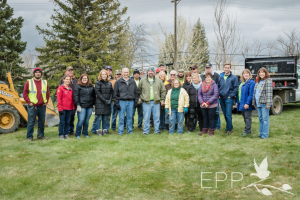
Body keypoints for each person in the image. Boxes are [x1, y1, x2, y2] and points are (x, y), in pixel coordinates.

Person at [23, 68, 50, 141]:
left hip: (42, 106)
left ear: (41, 74)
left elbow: (47, 93)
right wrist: (29, 102)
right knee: (31, 122)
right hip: (32, 106)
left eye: (39, 72)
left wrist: (46, 101)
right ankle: (29, 136)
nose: (38, 73)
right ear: (34, 73)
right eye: (36, 72)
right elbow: (25, 93)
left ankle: (40, 136)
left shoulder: (44, 82)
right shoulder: (29, 82)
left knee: (41, 122)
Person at [139, 67, 166, 135]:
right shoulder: (142, 81)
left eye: (152, 71)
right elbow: (139, 90)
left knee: (157, 117)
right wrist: (142, 98)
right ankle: (146, 131)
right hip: (146, 102)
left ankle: (157, 130)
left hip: (156, 102)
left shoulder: (158, 81)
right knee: (146, 118)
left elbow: (163, 91)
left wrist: (162, 99)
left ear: (154, 72)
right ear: (147, 72)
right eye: (149, 71)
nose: (150, 72)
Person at [113, 68, 139, 135]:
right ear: (122, 73)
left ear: (128, 73)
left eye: (127, 72)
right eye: (124, 72)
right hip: (122, 101)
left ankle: (129, 131)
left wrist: (136, 101)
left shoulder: (132, 81)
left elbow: (136, 92)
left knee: (130, 117)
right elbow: (115, 93)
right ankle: (120, 131)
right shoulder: (118, 82)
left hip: (131, 101)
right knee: (121, 118)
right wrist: (117, 103)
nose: (126, 74)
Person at [200, 63, 224, 131]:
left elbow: (220, 85)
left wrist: (218, 93)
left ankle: (217, 126)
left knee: (216, 113)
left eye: (209, 68)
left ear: (212, 68)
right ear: (205, 69)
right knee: (207, 115)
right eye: (206, 68)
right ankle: (207, 127)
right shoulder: (202, 76)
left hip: (214, 98)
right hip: (204, 98)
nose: (208, 69)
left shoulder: (216, 75)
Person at [252, 68, 273, 139]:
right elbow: (255, 93)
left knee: (265, 119)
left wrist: (268, 104)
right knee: (260, 119)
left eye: (263, 72)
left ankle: (265, 134)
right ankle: (261, 133)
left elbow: (269, 93)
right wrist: (255, 103)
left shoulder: (268, 81)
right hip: (258, 103)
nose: (261, 74)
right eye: (260, 72)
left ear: (266, 73)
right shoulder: (258, 82)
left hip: (264, 104)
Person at [219, 63, 239, 135]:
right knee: (224, 114)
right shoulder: (220, 77)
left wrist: (231, 96)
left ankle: (229, 129)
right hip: (221, 98)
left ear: (230, 68)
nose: (226, 69)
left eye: (228, 68)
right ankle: (230, 127)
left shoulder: (233, 77)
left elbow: (236, 87)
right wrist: (218, 94)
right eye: (225, 67)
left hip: (229, 98)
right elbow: (218, 86)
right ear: (223, 68)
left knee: (228, 114)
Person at [74, 74, 95, 139]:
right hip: (81, 106)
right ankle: (77, 134)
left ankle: (85, 133)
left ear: (88, 79)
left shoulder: (91, 86)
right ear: (81, 79)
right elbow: (76, 96)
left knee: (86, 121)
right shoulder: (78, 86)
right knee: (81, 120)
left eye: (86, 78)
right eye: (83, 78)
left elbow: (94, 96)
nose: (84, 79)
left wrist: (94, 104)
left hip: (89, 106)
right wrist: (78, 105)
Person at [59, 66, 78, 136]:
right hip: (64, 104)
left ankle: (70, 130)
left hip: (72, 102)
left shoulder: (75, 80)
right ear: (66, 71)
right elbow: (60, 93)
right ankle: (62, 133)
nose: (70, 72)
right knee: (63, 120)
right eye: (69, 70)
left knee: (71, 118)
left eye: (71, 70)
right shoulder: (62, 79)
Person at [93, 70, 113, 136]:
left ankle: (105, 131)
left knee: (105, 118)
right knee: (99, 118)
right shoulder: (98, 83)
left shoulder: (109, 83)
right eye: (103, 74)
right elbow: (98, 93)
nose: (104, 75)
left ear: (107, 75)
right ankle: (98, 131)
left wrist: (109, 100)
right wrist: (105, 100)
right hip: (100, 103)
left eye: (105, 74)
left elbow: (111, 92)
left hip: (107, 103)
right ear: (100, 75)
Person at [236, 69, 255, 136]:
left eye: (247, 73)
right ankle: (247, 130)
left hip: (246, 103)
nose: (245, 74)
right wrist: (237, 102)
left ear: (249, 74)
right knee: (244, 117)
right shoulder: (242, 83)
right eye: (244, 73)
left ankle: (247, 131)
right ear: (242, 75)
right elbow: (239, 93)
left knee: (247, 117)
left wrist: (247, 103)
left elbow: (251, 94)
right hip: (241, 103)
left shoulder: (251, 83)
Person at [57, 75, 75, 140]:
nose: (68, 81)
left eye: (69, 79)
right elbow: (59, 99)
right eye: (66, 79)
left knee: (68, 122)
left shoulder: (70, 89)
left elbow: (72, 100)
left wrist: (73, 108)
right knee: (62, 122)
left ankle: (66, 134)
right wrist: (60, 108)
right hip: (63, 109)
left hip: (69, 109)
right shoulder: (60, 88)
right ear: (63, 80)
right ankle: (61, 134)